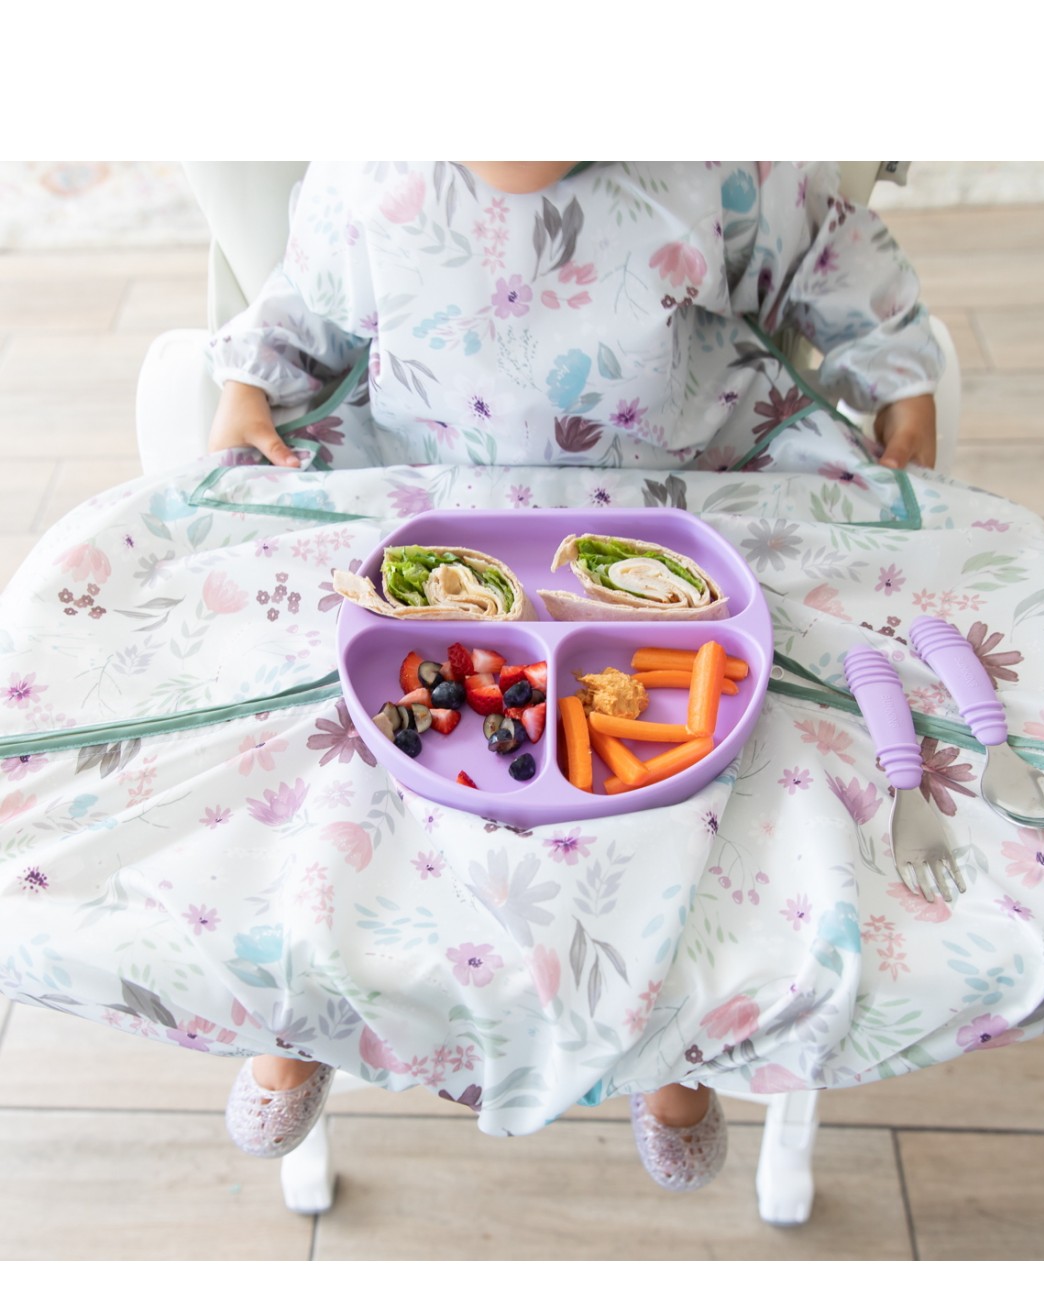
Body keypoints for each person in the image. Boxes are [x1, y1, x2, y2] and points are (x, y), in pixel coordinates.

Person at [210, 160, 945, 1190]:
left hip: (667, 502)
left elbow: (823, 248)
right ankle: (305, 1017)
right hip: (435, 498)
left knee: (677, 796)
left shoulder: (706, 164)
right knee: (358, 762)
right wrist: (249, 384)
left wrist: (898, 373)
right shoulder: (371, 169)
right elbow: (308, 301)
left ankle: (665, 1050)